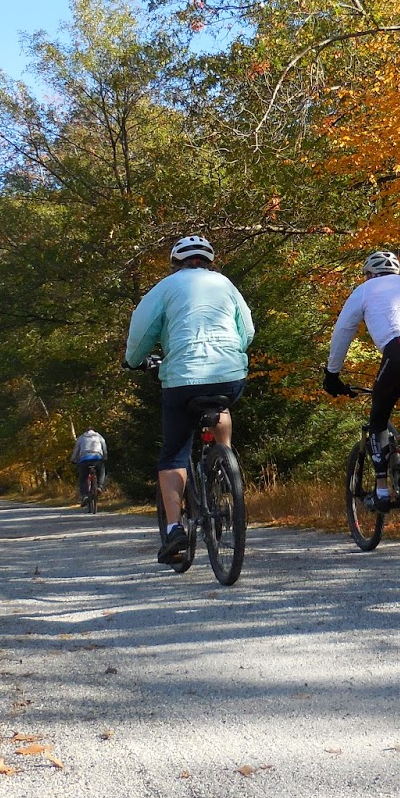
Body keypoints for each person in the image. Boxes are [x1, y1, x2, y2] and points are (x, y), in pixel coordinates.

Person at [125, 234, 255, 563]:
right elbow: (248, 330)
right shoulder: (226, 284)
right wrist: (231, 352)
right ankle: (225, 466)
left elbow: (142, 332)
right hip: (230, 375)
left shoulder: (165, 288)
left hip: (183, 381)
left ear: (176, 262)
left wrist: (133, 360)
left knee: (173, 454)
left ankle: (173, 530)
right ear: (209, 261)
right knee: (221, 405)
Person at [324, 250, 400, 508]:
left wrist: (332, 374)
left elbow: (343, 330)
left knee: (378, 420)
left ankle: (381, 491)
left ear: (369, 274)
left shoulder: (365, 289)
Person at [70, 427, 107, 502]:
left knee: (83, 478)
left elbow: (76, 450)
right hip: (97, 458)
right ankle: (99, 487)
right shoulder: (99, 437)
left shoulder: (81, 438)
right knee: (101, 471)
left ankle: (84, 495)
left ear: (85, 431)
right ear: (94, 430)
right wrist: (105, 457)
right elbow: (104, 448)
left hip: (84, 460)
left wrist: (73, 459)